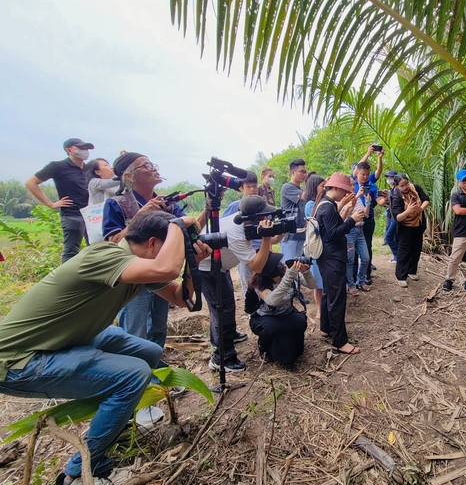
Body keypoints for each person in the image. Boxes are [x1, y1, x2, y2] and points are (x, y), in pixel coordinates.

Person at [0, 211, 209, 485]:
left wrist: (194, 264)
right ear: (152, 244)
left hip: (64, 341)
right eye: (176, 248)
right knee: (134, 374)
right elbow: (166, 269)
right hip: (19, 361)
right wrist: (176, 227)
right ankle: (81, 474)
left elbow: (181, 297)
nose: (179, 254)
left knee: (146, 352)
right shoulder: (104, 255)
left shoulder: (136, 264)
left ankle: (113, 425)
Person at [102, 153, 199, 349]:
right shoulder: (116, 204)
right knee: (134, 329)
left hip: (160, 273)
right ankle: (134, 371)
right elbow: (114, 244)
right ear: (128, 176)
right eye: (146, 166)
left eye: (152, 164)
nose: (154, 168)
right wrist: (140, 215)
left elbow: (189, 227)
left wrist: (208, 206)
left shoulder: (166, 203)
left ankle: (154, 366)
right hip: (133, 276)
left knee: (159, 326)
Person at [197, 195, 281, 372]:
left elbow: (266, 242)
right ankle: (222, 357)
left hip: (220, 265)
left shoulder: (245, 224)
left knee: (226, 306)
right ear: (253, 218)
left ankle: (229, 336)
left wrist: (276, 234)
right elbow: (256, 266)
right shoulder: (236, 233)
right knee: (221, 309)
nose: (267, 219)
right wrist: (266, 238)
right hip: (207, 268)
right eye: (264, 216)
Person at [315, 173, 364, 355]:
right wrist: (352, 220)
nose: (346, 193)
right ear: (335, 188)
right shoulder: (327, 207)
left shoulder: (327, 205)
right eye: (344, 190)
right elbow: (335, 233)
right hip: (332, 259)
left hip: (328, 257)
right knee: (337, 299)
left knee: (329, 293)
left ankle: (326, 328)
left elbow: (331, 231)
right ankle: (339, 342)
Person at [25, 138, 94, 263]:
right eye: (81, 148)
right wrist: (50, 204)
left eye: (86, 148)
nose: (85, 151)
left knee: (95, 248)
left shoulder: (90, 168)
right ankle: (66, 281)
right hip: (72, 214)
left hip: (92, 213)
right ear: (69, 150)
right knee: (71, 251)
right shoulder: (58, 166)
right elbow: (31, 183)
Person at [248, 253, 313, 366]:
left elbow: (312, 285)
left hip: (286, 312)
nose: (277, 266)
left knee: (300, 322)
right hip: (265, 316)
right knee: (272, 328)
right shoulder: (259, 283)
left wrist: (306, 272)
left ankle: (295, 350)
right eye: (273, 265)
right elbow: (272, 300)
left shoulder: (285, 271)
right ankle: (264, 347)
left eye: (277, 262)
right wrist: (288, 277)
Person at [390, 174, 430, 288]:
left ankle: (412, 271)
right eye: (402, 186)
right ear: (397, 186)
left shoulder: (415, 188)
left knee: (416, 248)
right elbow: (397, 217)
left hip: (418, 223)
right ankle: (401, 276)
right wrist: (408, 211)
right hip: (405, 226)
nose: (405, 187)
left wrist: (421, 208)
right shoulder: (396, 195)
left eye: (406, 184)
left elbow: (426, 199)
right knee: (404, 250)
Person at [351, 146, 384, 283]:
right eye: (362, 174)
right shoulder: (351, 184)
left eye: (366, 174)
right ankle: (352, 277)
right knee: (352, 249)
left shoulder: (372, 185)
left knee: (367, 247)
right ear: (357, 173)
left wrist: (384, 200)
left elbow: (379, 200)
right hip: (353, 220)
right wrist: (368, 153)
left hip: (368, 219)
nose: (364, 176)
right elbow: (358, 168)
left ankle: (366, 275)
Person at [303, 175, 327, 318]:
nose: (324, 189)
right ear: (314, 188)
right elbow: (316, 221)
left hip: (326, 246)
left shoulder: (325, 202)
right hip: (317, 247)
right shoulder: (310, 204)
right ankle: (319, 309)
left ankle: (325, 306)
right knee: (318, 281)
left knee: (325, 281)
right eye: (321, 186)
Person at [280, 159, 307, 262]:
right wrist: (316, 185)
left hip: (301, 234)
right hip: (290, 236)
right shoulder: (287, 187)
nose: (304, 174)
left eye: (305, 172)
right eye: (302, 172)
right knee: (289, 268)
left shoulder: (303, 189)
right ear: (293, 172)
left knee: (298, 268)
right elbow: (306, 196)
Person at [383, 170, 399, 262]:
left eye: (391, 177)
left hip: (395, 217)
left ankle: (398, 255)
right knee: (392, 236)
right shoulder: (391, 190)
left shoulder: (397, 189)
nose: (389, 179)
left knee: (389, 237)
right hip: (391, 215)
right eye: (388, 177)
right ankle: (396, 256)